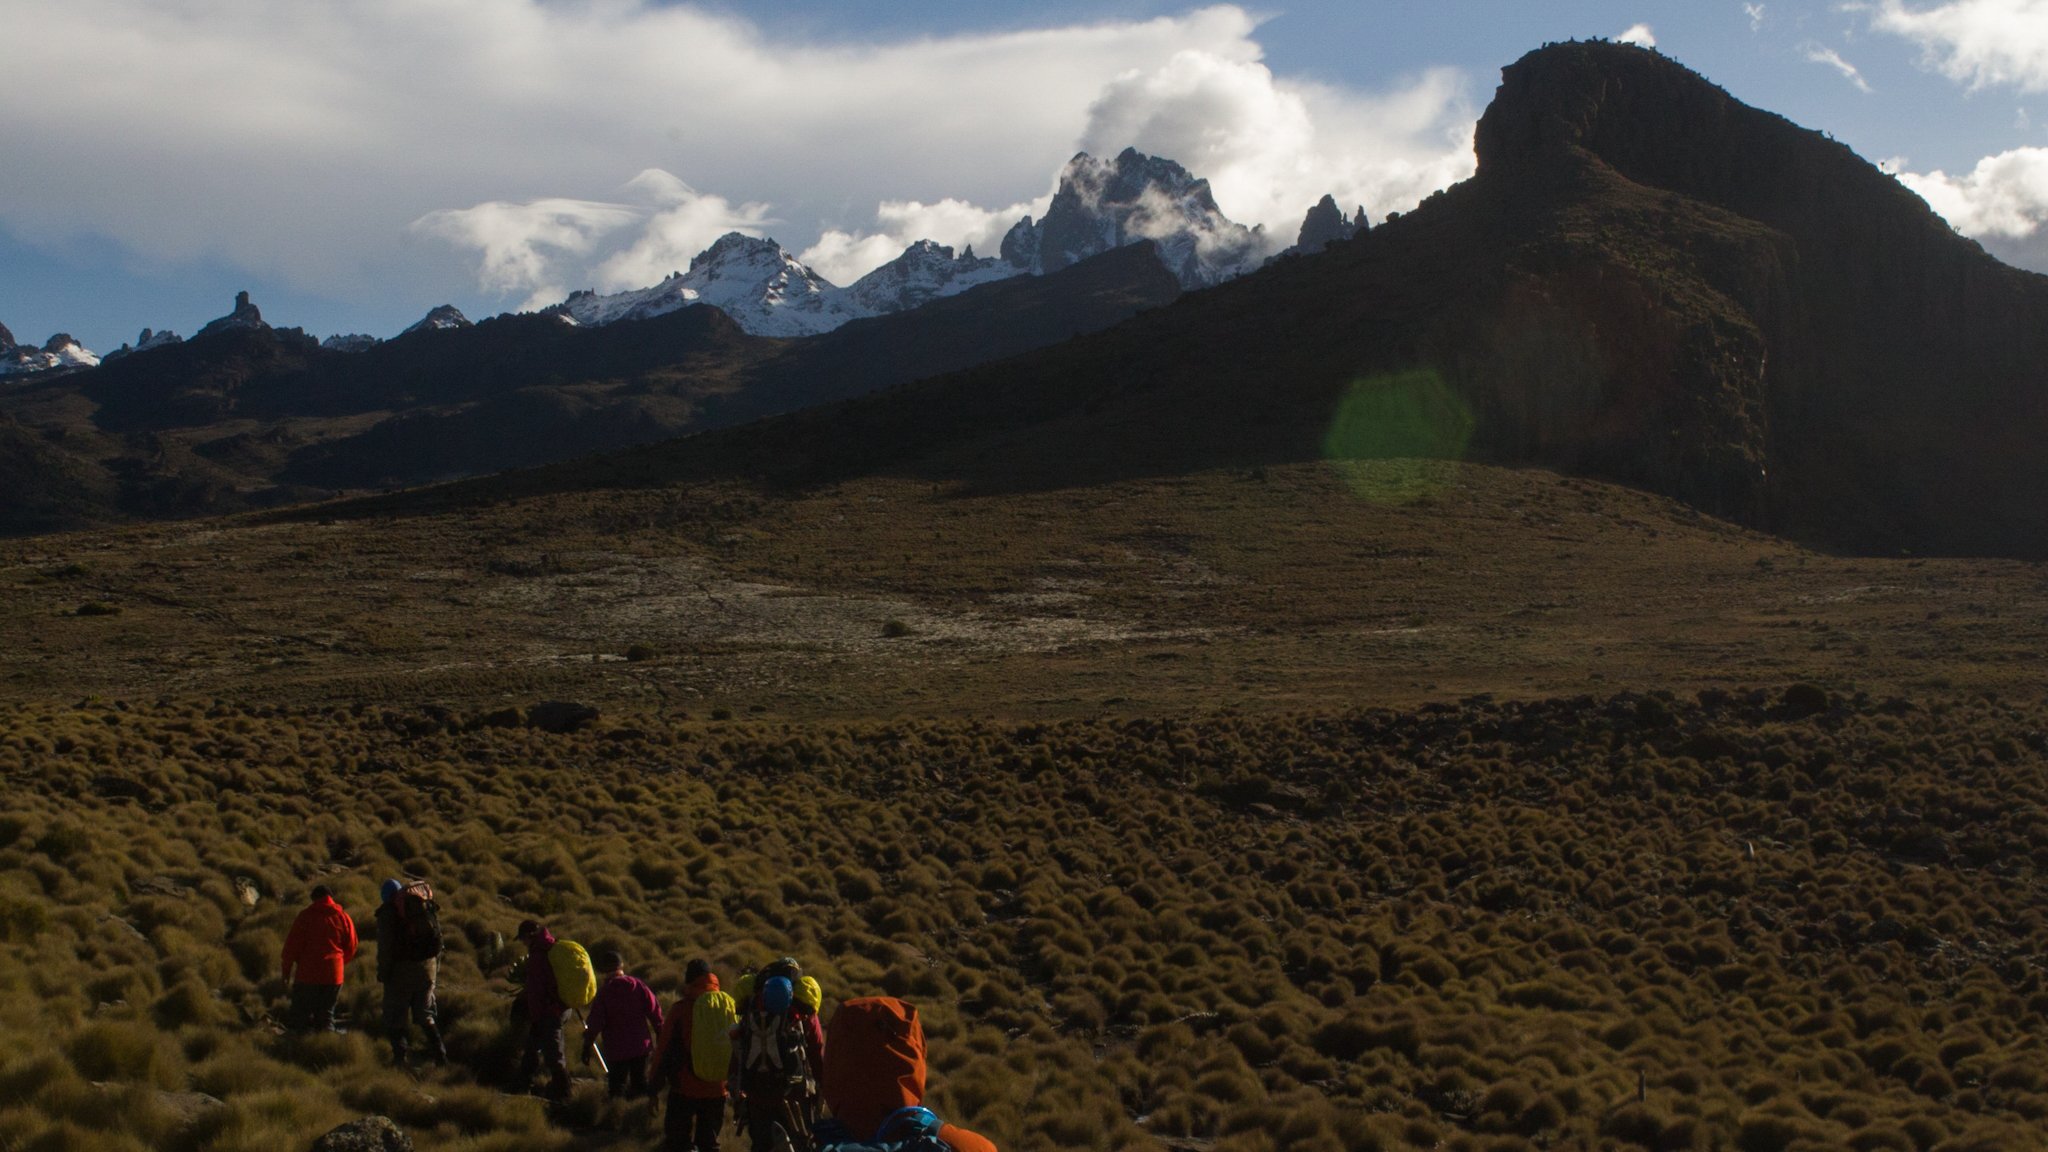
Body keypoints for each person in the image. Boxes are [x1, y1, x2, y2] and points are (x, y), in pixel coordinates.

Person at [732, 961, 825, 1152]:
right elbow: (816, 1051)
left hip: (757, 1093)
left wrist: (738, 1086)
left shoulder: (752, 1008)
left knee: (761, 1145)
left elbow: (739, 1049)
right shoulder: (802, 1011)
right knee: (800, 1144)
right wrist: (822, 1086)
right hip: (795, 1096)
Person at [652, 958, 731, 1152]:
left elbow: (663, 1049)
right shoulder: (726, 1005)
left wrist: (653, 1087)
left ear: (689, 980)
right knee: (709, 1144)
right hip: (718, 1088)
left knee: (678, 1143)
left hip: (684, 1087)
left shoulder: (680, 1010)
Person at [375, 878, 446, 1068]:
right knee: (425, 1015)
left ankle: (400, 1059)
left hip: (401, 972)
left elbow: (385, 949)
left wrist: (384, 973)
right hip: (427, 970)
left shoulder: (389, 914)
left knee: (394, 1015)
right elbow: (438, 942)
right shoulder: (422, 907)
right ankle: (441, 1055)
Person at [582, 948, 663, 1099]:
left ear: (604, 969)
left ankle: (616, 1114)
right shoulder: (638, 986)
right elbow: (655, 1011)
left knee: (617, 1089)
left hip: (617, 1049)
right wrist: (660, 1033)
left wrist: (587, 1045)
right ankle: (639, 1115)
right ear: (622, 965)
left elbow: (595, 1022)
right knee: (640, 1085)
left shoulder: (605, 993)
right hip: (641, 1047)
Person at [280, 884, 358, 1032]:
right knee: (326, 1016)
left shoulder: (305, 917)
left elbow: (291, 948)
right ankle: (326, 1048)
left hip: (307, 975)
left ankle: (297, 1050)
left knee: (299, 1016)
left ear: (314, 899)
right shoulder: (343, 917)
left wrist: (286, 973)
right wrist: (340, 963)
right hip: (333, 975)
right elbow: (352, 945)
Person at [513, 919, 572, 1100]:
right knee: (533, 1048)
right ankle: (524, 1085)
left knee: (553, 1053)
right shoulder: (552, 947)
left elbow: (537, 989)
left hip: (549, 1011)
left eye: (523, 939)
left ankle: (563, 1093)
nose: (523, 943)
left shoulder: (539, 955)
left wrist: (535, 1014)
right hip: (559, 1008)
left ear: (530, 936)